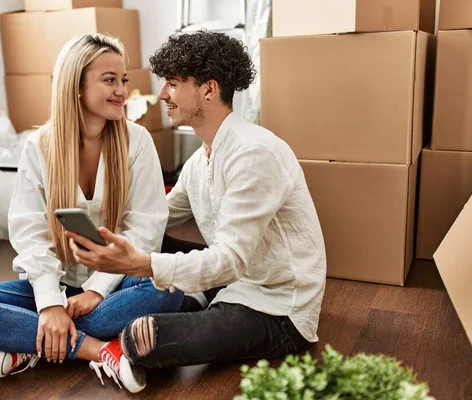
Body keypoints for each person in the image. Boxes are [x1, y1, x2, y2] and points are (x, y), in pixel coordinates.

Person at [65, 30, 327, 392]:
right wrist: (97, 229)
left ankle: (59, 336)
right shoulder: (199, 161)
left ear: (208, 89)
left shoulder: (254, 153)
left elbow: (231, 260)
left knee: (144, 338)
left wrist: (138, 265)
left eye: (172, 83)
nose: (162, 95)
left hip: (277, 306)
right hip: (233, 282)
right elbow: (156, 217)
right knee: (151, 241)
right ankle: (183, 299)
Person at [0, 33, 183, 393]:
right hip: (55, 281)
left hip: (115, 284)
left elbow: (144, 231)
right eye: (109, 80)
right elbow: (30, 232)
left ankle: (34, 342)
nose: (122, 91)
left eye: (123, 80)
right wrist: (51, 304)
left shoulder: (137, 141)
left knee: (170, 286)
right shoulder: (39, 146)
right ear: (77, 86)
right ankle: (98, 348)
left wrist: (96, 292)